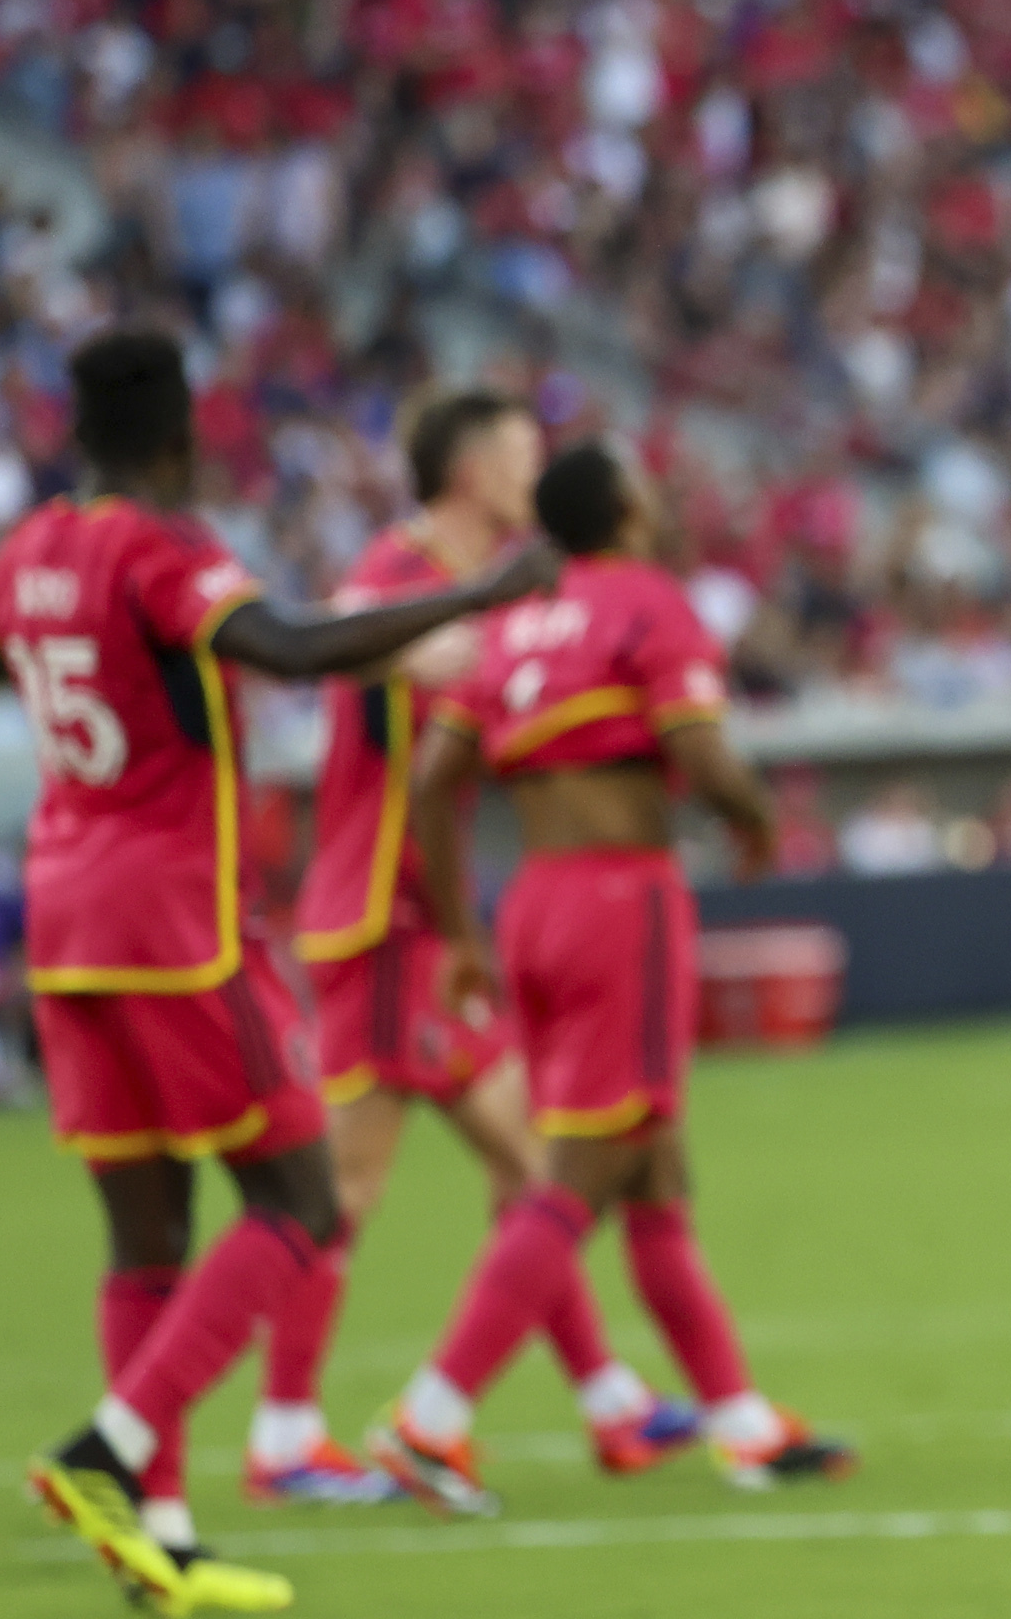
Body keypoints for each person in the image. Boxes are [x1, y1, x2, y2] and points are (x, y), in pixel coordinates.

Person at [5, 329, 554, 1613]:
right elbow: (294, 646)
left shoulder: (24, 554)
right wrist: (483, 593)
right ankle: (111, 1447)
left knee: (146, 1232)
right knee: (300, 1200)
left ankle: (162, 1542)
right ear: (179, 426)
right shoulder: (165, 546)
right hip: (172, 919)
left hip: (64, 913)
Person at [365, 442, 851, 1514]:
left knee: (652, 1169)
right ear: (625, 507)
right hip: (620, 902)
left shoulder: (514, 621)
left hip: (533, 902)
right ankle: (429, 1418)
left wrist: (456, 930)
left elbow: (435, 779)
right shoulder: (648, 602)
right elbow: (705, 751)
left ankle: (739, 1422)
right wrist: (759, 821)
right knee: (581, 1175)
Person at [250, 390, 697, 1504]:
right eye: (516, 451)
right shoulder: (397, 569)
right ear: (465, 466)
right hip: (377, 913)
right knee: (350, 1179)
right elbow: (345, 653)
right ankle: (286, 1431)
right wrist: (438, 652)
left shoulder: (510, 582)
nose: (530, 471)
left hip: (427, 921)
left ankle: (610, 1402)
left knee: (530, 1169)